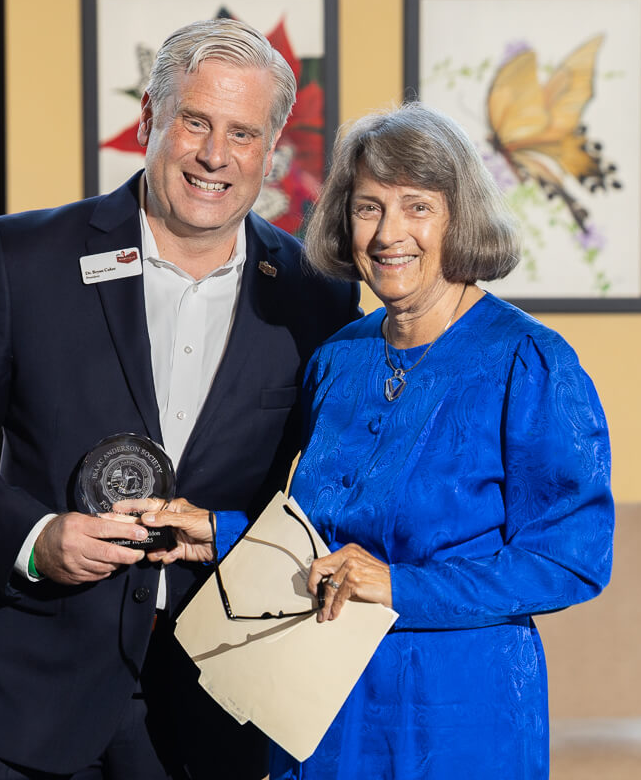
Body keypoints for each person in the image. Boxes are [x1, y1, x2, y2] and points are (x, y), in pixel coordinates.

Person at [0, 18, 359, 780]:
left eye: (242, 133)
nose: (214, 155)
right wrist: (35, 538)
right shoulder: (25, 258)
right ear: (149, 119)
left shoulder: (317, 300)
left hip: (217, 697)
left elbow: (336, 489)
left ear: (272, 151)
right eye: (195, 121)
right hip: (34, 690)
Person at [123, 103, 614, 779]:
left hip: (459, 710)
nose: (389, 234)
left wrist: (400, 585)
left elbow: (573, 559)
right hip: (319, 698)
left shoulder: (529, 361)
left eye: (417, 207)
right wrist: (220, 533)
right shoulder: (337, 359)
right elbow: (324, 541)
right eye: (367, 208)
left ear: (458, 218)